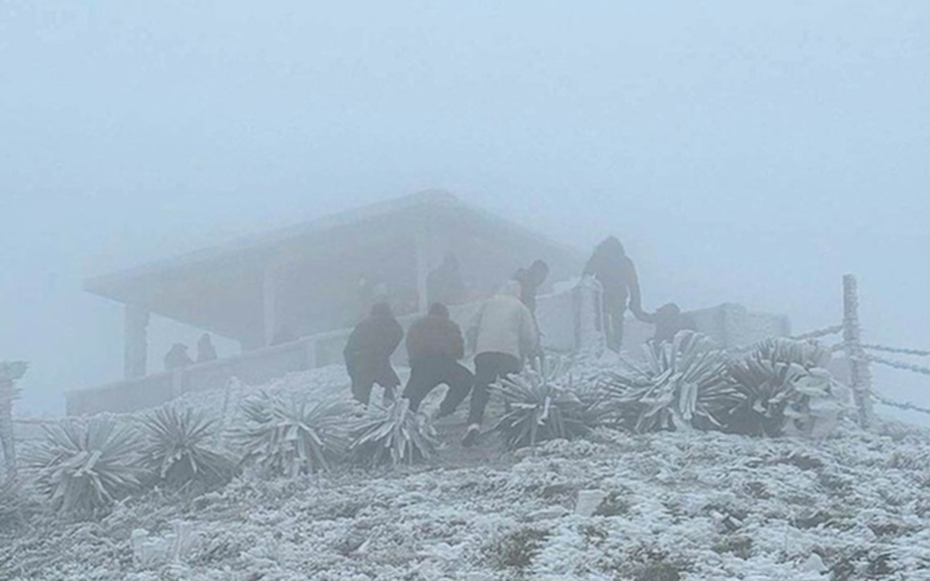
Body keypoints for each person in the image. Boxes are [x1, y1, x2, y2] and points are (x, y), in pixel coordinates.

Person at [463, 281, 539, 447]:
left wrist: (475, 344)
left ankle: (474, 424)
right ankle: (512, 426)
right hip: (509, 354)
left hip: (485, 352)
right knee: (510, 391)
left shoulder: (488, 303)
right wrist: (528, 350)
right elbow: (529, 335)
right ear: (518, 292)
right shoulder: (520, 307)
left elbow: (471, 325)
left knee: (481, 388)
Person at [402, 302, 474, 416]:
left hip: (421, 365)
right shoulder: (450, 325)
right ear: (445, 314)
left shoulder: (416, 325)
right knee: (466, 380)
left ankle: (403, 418)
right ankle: (445, 410)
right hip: (444, 363)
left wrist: (414, 361)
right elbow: (459, 350)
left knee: (410, 398)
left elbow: (410, 344)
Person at [582, 236, 647, 352]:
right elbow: (633, 284)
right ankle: (615, 346)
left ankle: (605, 345)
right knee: (617, 321)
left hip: (602, 296)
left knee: (602, 321)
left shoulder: (599, 258)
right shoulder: (625, 261)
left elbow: (586, 274)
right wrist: (635, 303)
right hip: (618, 296)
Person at [343, 302, 404, 406]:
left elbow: (348, 349)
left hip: (358, 361)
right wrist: (383, 353)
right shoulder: (391, 323)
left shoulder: (362, 325)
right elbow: (397, 337)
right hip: (376, 360)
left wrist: (353, 371)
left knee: (361, 396)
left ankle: (358, 417)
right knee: (393, 385)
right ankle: (389, 408)